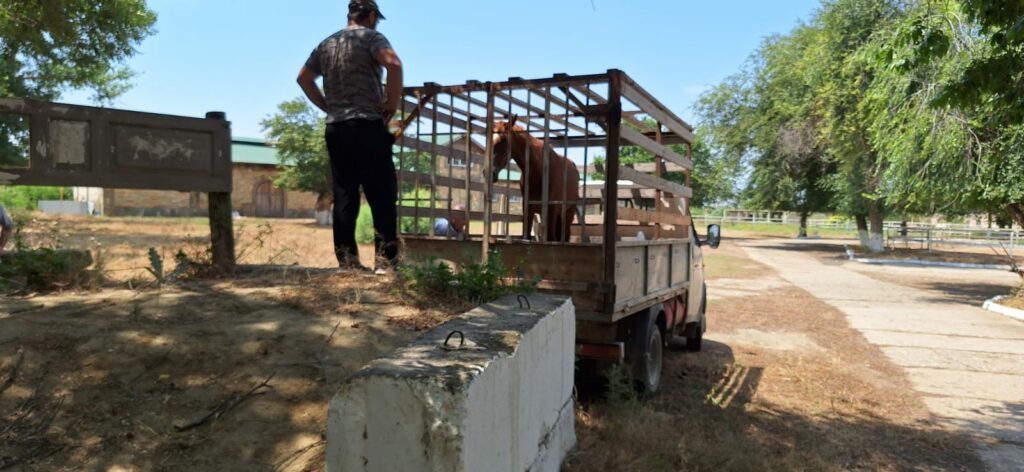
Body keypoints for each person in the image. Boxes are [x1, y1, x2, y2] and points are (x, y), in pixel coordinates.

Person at [297, 0, 403, 274]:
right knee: (381, 193)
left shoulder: (326, 44)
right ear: (369, 16)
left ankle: (347, 263)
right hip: (366, 124)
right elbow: (393, 64)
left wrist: (327, 106)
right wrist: (391, 104)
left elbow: (303, 78)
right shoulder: (371, 38)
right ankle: (386, 262)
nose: (376, 23)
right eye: (376, 19)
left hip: (336, 128)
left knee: (344, 194)